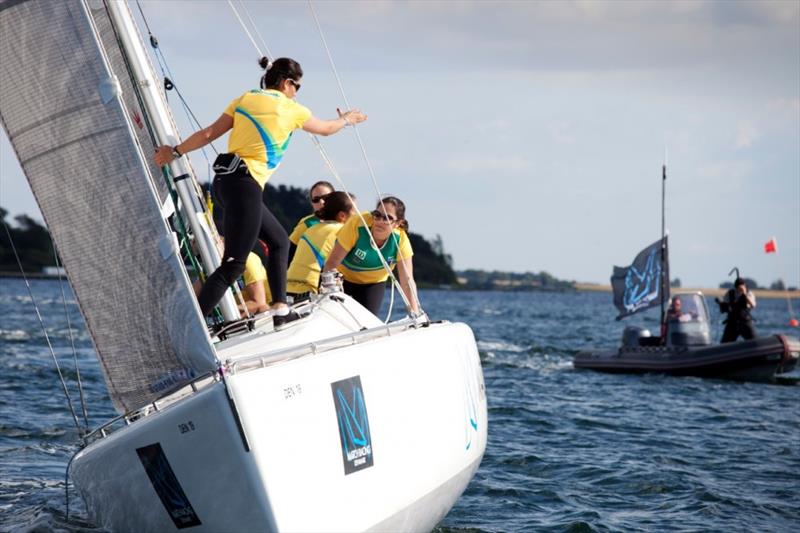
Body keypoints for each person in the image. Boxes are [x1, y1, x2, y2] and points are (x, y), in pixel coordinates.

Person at [154, 57, 367, 327]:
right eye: (297, 86)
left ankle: (280, 308)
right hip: (246, 187)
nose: (296, 92)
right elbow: (326, 129)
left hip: (225, 183)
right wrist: (346, 119)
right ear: (287, 83)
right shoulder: (292, 109)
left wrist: (174, 152)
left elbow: (208, 134)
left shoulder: (246, 98)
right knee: (233, 265)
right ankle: (190, 328)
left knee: (279, 240)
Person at [322, 197, 419, 317]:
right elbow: (331, 263)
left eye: (387, 218)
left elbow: (407, 282)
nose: (379, 221)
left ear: (398, 223)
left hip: (373, 284)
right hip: (342, 279)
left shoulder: (401, 241)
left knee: (367, 321)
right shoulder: (357, 224)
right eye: (377, 215)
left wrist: (416, 314)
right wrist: (331, 292)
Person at [287, 191, 356, 299]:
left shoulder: (311, 229)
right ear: (342, 215)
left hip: (288, 289)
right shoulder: (341, 231)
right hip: (310, 291)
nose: (357, 217)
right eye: (355, 213)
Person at [287, 180, 335, 263]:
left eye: (326, 197)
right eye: (316, 199)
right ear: (312, 203)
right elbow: (289, 252)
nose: (321, 202)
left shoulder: (346, 222)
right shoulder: (307, 223)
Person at [716, 277, 757, 342]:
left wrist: (744, 294)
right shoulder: (730, 293)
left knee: (755, 342)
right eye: (737, 288)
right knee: (725, 343)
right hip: (732, 323)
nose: (738, 290)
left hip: (745, 322)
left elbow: (753, 305)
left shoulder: (749, 293)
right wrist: (721, 303)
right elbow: (724, 305)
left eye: (740, 288)